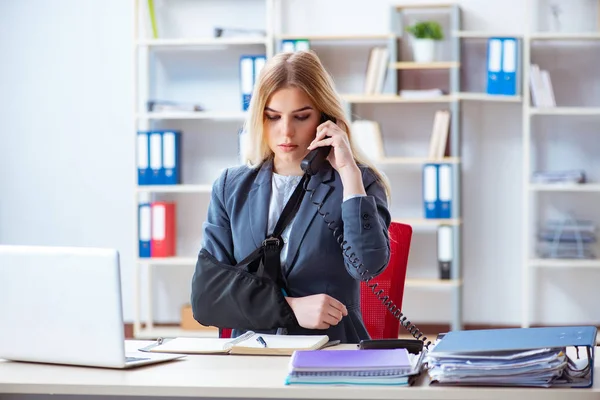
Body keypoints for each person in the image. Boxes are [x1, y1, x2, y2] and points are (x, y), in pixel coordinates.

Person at [191, 50, 392, 343]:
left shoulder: (358, 183)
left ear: (326, 118)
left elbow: (366, 268)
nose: (286, 131)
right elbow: (207, 296)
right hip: (251, 354)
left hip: (329, 351)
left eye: (301, 116)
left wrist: (349, 173)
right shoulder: (230, 187)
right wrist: (289, 308)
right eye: (273, 117)